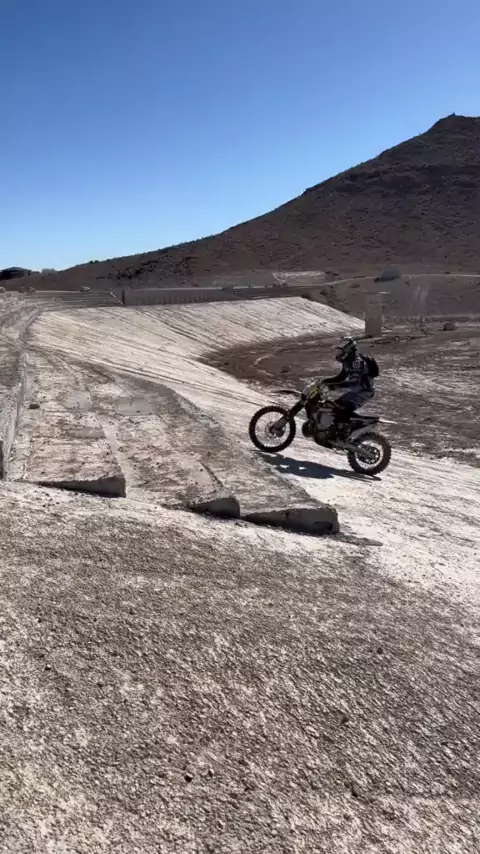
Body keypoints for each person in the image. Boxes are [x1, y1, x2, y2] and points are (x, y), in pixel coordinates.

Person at [321, 337, 376, 439]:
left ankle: (350, 431)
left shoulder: (357, 363)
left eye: (341, 351)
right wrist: (325, 381)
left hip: (364, 392)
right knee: (335, 406)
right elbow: (341, 377)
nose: (338, 353)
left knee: (342, 409)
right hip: (357, 391)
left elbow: (355, 382)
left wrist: (336, 386)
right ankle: (339, 430)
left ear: (348, 350)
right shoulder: (348, 361)